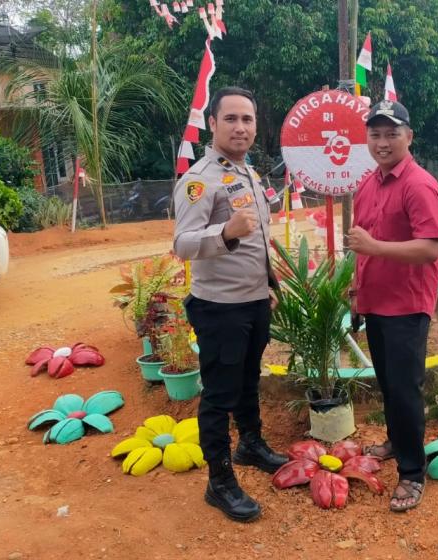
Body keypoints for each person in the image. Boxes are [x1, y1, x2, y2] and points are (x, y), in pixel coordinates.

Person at [172, 86, 288, 523]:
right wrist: (224, 233)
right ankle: (219, 482)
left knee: (247, 379)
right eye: (232, 119)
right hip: (220, 308)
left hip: (254, 301)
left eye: (248, 119)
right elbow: (182, 244)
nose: (241, 127)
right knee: (219, 396)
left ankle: (250, 444)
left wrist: (269, 283)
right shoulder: (200, 179)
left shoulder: (247, 173)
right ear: (213, 124)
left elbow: (257, 240)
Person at [346, 100, 438, 513]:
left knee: (405, 390)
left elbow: (429, 249)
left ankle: (411, 471)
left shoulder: (419, 185)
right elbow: (361, 249)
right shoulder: (369, 183)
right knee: (388, 383)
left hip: (406, 305)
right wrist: (356, 289)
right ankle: (396, 440)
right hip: (376, 301)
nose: (383, 142)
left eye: (391, 133)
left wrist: (375, 247)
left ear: (409, 137)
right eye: (375, 134)